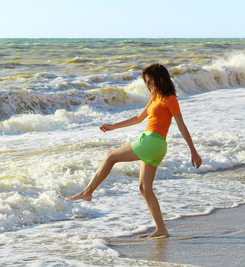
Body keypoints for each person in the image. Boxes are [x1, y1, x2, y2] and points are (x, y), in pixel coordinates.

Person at [67, 63, 202, 238]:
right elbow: (138, 118)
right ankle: (161, 229)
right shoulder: (155, 98)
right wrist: (113, 126)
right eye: (146, 82)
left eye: (150, 82)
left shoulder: (170, 99)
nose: (147, 86)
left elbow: (181, 126)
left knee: (110, 156)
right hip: (155, 145)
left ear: (160, 80)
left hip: (152, 142)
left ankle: (87, 192)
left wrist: (194, 151)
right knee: (145, 188)